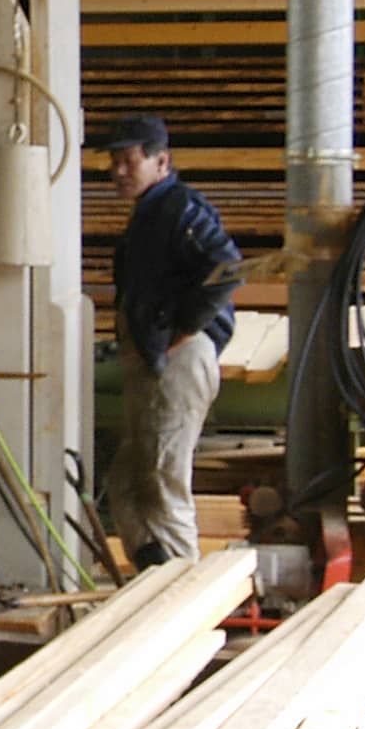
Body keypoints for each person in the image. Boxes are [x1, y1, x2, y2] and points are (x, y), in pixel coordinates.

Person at [104, 116, 241, 567]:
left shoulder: (180, 207)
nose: (119, 171)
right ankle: (155, 574)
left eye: (130, 161)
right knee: (127, 483)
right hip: (154, 358)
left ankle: (184, 598)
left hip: (178, 360)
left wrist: (180, 330)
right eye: (114, 162)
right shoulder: (151, 212)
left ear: (161, 161)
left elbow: (228, 268)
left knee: (164, 482)